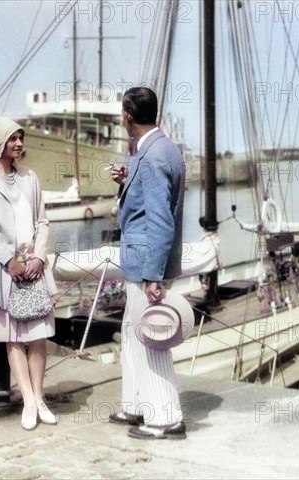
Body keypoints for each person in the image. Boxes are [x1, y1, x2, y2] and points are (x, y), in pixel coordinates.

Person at [0, 116, 58, 430]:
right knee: (14, 338)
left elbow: (43, 222)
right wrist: (9, 260)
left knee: (38, 336)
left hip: (32, 268)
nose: (19, 143)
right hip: (2, 270)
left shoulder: (30, 178)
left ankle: (41, 397)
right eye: (12, 139)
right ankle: (29, 403)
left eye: (20, 137)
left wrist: (39, 258)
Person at [109, 87, 187, 440]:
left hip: (144, 266)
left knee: (150, 337)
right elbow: (153, 201)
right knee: (131, 333)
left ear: (127, 115)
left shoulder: (152, 157)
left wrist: (154, 276)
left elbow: (159, 220)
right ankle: (136, 405)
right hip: (141, 263)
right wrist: (127, 180)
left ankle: (164, 418)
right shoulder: (163, 149)